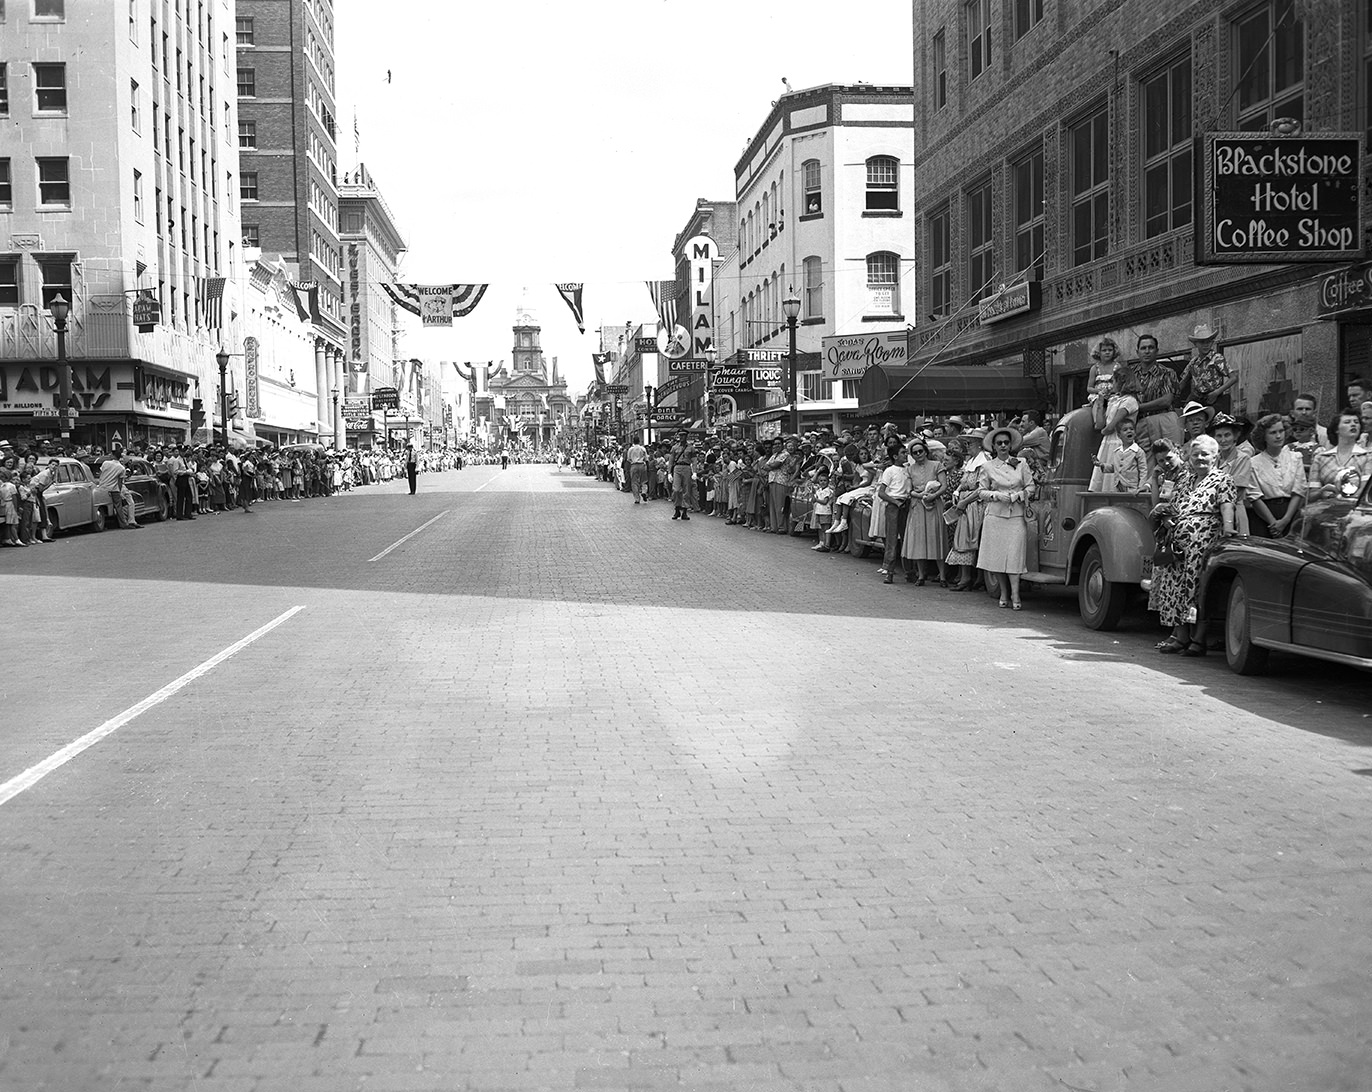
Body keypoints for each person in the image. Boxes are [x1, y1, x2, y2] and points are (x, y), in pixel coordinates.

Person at [1149, 435, 1239, 656]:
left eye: (1205, 454)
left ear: (1215, 456)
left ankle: (1198, 640)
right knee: (1175, 589)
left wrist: (1228, 527)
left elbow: (1227, 506)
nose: (1199, 458)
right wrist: (1166, 518)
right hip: (1177, 546)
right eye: (1196, 454)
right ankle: (1180, 637)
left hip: (1203, 546)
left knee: (1197, 589)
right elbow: (1169, 505)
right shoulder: (1185, 480)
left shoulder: (1222, 479)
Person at [975, 426, 1035, 609]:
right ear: (993, 446)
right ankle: (1003, 592)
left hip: (1016, 515)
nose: (1003, 446)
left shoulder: (1021, 463)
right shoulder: (987, 467)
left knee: (1015, 556)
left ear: (1011, 445)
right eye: (999, 443)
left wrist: (1019, 495)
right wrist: (996, 495)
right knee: (998, 557)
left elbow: (1031, 487)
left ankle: (1015, 594)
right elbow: (981, 491)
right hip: (995, 515)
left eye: (1006, 443)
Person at [1126, 333, 1182, 469]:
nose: (1147, 351)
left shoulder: (1167, 372)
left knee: (1172, 459)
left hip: (1164, 420)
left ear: (1157, 351)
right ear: (1137, 352)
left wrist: (1138, 407)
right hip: (1140, 423)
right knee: (1144, 464)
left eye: (1150, 348)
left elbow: (1166, 400)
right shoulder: (1130, 374)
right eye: (1143, 348)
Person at [1245, 413, 1306, 538]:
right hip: (1264, 517)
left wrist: (1285, 520)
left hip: (1291, 514)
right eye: (1273, 433)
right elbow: (1254, 497)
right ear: (1263, 436)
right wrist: (1273, 523)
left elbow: (1299, 491)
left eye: (1281, 431)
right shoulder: (1253, 463)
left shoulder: (1295, 458)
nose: (1278, 436)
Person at [901, 437, 946, 585]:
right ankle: (921, 575)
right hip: (918, 506)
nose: (918, 454)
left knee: (936, 538)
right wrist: (919, 495)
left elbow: (944, 485)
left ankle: (942, 576)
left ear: (926, 451)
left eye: (920, 451)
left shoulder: (936, 465)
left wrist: (933, 495)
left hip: (934, 504)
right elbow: (909, 490)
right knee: (919, 540)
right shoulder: (909, 469)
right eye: (915, 453)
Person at [1088, 372, 1139, 491]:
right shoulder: (1114, 400)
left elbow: (1111, 426)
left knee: (1115, 477)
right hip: (1108, 442)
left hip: (1120, 442)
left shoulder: (1129, 401)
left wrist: (1104, 431)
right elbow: (1099, 424)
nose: (1111, 385)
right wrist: (1100, 403)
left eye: (1113, 381)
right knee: (1103, 478)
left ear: (1122, 382)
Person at [1308, 410, 1371, 500]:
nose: (1353, 424)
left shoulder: (1367, 456)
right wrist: (1322, 492)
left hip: (1354, 507)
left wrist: (1339, 496)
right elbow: (1311, 495)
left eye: (1356, 422)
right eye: (1347, 422)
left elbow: (1365, 491)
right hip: (1325, 507)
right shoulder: (1320, 458)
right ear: (1336, 429)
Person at [875, 445, 912, 583]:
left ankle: (909, 571)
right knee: (892, 539)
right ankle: (889, 571)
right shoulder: (889, 471)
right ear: (895, 456)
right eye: (903, 453)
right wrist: (896, 503)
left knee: (907, 539)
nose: (906, 455)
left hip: (906, 504)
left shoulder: (908, 470)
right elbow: (881, 493)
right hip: (894, 505)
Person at [1179, 323, 1237, 409]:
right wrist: (1172, 394)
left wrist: (1217, 392)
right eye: (1202, 342)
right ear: (1195, 344)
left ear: (1212, 343)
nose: (1206, 345)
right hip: (1197, 399)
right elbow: (1183, 382)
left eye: (1208, 342)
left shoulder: (1217, 358)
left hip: (1214, 398)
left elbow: (1233, 377)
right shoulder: (1193, 363)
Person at [97, 445, 141, 529]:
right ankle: (123, 524)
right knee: (118, 507)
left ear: (113, 456)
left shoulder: (105, 463)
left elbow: (100, 474)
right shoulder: (121, 468)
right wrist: (120, 492)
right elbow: (120, 482)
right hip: (114, 489)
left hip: (102, 488)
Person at [1099, 417, 1147, 493]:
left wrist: (1141, 487)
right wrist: (1101, 465)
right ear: (1119, 435)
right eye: (1125, 430)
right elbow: (1115, 468)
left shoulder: (1138, 451)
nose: (1129, 431)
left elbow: (1143, 471)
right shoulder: (1117, 452)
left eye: (1131, 429)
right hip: (1118, 486)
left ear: (1135, 433)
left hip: (1132, 487)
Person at [669, 431, 696, 521]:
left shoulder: (691, 448)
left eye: (683, 435)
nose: (681, 437)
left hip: (687, 467)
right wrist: (669, 473)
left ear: (686, 436)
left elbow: (694, 460)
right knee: (676, 489)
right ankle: (677, 509)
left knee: (686, 490)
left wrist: (694, 472)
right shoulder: (674, 447)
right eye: (680, 435)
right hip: (677, 467)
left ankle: (684, 511)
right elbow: (671, 460)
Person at [624, 438, 648, 503]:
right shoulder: (643, 448)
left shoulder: (630, 449)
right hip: (642, 465)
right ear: (639, 441)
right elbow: (646, 458)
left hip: (634, 465)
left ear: (633, 441)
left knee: (634, 482)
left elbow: (628, 459)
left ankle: (637, 499)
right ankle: (644, 491)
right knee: (644, 480)